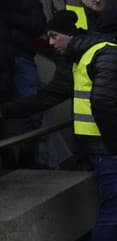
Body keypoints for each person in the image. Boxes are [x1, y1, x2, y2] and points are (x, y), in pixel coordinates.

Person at [1, 10, 117, 241]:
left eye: (53, 36)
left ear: (70, 34)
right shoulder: (93, 56)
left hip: (111, 150)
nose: (50, 43)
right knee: (116, 214)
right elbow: (87, 102)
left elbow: (93, 102)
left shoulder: (94, 56)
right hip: (114, 152)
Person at [0, 0, 46, 168]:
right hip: (4, 59)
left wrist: (7, 15)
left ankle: (28, 159)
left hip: (21, 56)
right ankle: (8, 160)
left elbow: (38, 24)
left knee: (34, 109)